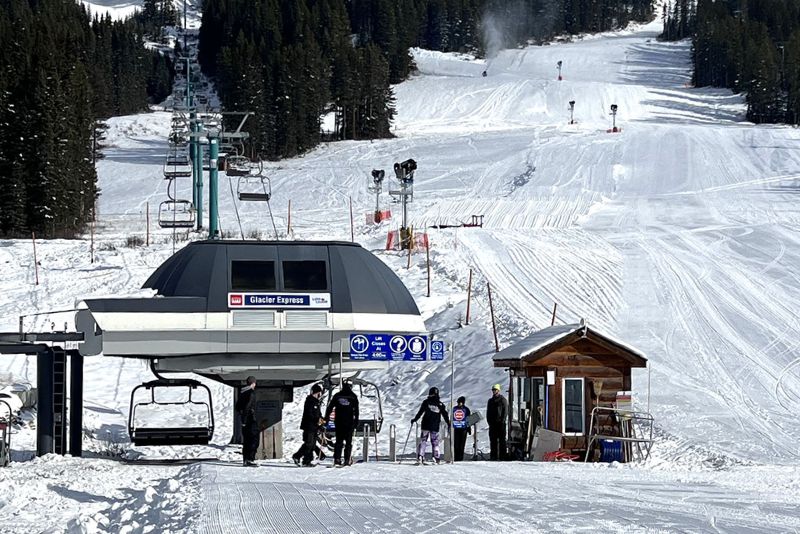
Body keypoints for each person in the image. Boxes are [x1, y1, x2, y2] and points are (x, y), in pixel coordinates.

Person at [411, 387, 450, 464]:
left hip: (425, 425)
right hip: (435, 426)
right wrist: (448, 423)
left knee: (423, 441)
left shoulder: (426, 402)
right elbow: (445, 415)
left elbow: (420, 412)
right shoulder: (440, 404)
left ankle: (420, 456)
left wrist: (415, 419)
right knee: (435, 442)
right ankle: (436, 458)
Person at [325, 380, 359, 466]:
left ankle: (337, 459)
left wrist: (327, 418)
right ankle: (347, 459)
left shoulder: (337, 396)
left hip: (339, 421)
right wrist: (356, 422)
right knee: (348, 442)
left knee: (339, 441)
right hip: (349, 422)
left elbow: (330, 407)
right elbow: (356, 411)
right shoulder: (353, 396)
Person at [292, 384, 323, 466]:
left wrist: (322, 421)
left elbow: (318, 414)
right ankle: (300, 457)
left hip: (314, 426)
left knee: (311, 444)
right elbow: (310, 414)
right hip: (309, 426)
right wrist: (317, 420)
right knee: (309, 443)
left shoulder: (316, 402)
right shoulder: (310, 401)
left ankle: (306, 459)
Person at [236, 376, 258, 466]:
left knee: (246, 440)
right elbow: (247, 407)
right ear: (253, 383)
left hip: (244, 420)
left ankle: (246, 459)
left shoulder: (242, 392)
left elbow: (237, 407)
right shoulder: (251, 393)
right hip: (250, 419)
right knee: (254, 439)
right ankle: (250, 459)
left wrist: (242, 420)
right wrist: (246, 419)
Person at [486, 383, 508, 461]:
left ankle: (503, 456)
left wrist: (502, 421)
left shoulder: (503, 400)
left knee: (502, 440)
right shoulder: (490, 401)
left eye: (495, 390)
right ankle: (493, 456)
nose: (494, 391)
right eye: (493, 390)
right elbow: (488, 412)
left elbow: (505, 411)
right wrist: (489, 421)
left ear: (499, 390)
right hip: (492, 424)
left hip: (500, 424)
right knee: (493, 441)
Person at [452, 396, 471, 462]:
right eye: (458, 402)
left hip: (464, 429)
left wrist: (469, 428)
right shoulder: (455, 409)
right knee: (456, 443)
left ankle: (460, 457)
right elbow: (452, 418)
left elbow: (468, 419)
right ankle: (455, 457)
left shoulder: (466, 409)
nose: (459, 403)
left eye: (460, 402)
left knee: (462, 444)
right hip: (456, 428)